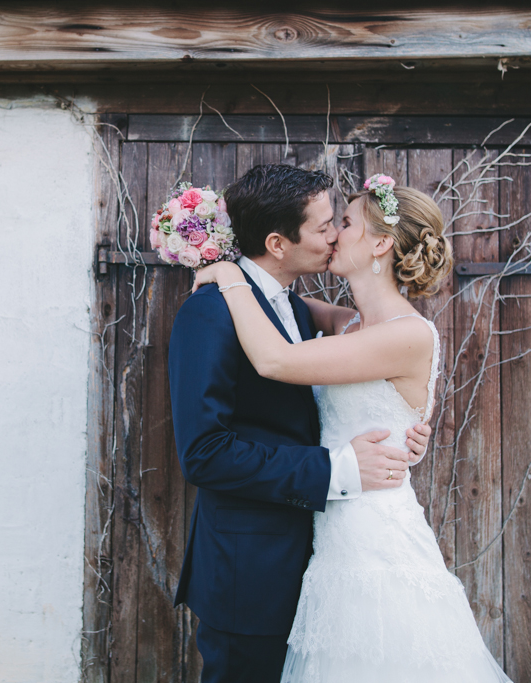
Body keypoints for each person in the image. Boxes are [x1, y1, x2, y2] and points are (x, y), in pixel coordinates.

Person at [193, 174, 513, 682]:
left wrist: (229, 276)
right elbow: (283, 308)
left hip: (372, 538)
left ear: (381, 243)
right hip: (328, 535)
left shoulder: (406, 335)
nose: (335, 232)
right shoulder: (350, 325)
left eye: (345, 222)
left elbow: (277, 358)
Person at [167, 165, 433, 683]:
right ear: (278, 242)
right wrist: (340, 468)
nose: (334, 235)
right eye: (324, 225)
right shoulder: (211, 313)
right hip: (254, 570)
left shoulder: (304, 311)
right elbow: (204, 452)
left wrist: (406, 433)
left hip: (331, 562)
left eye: (342, 223)